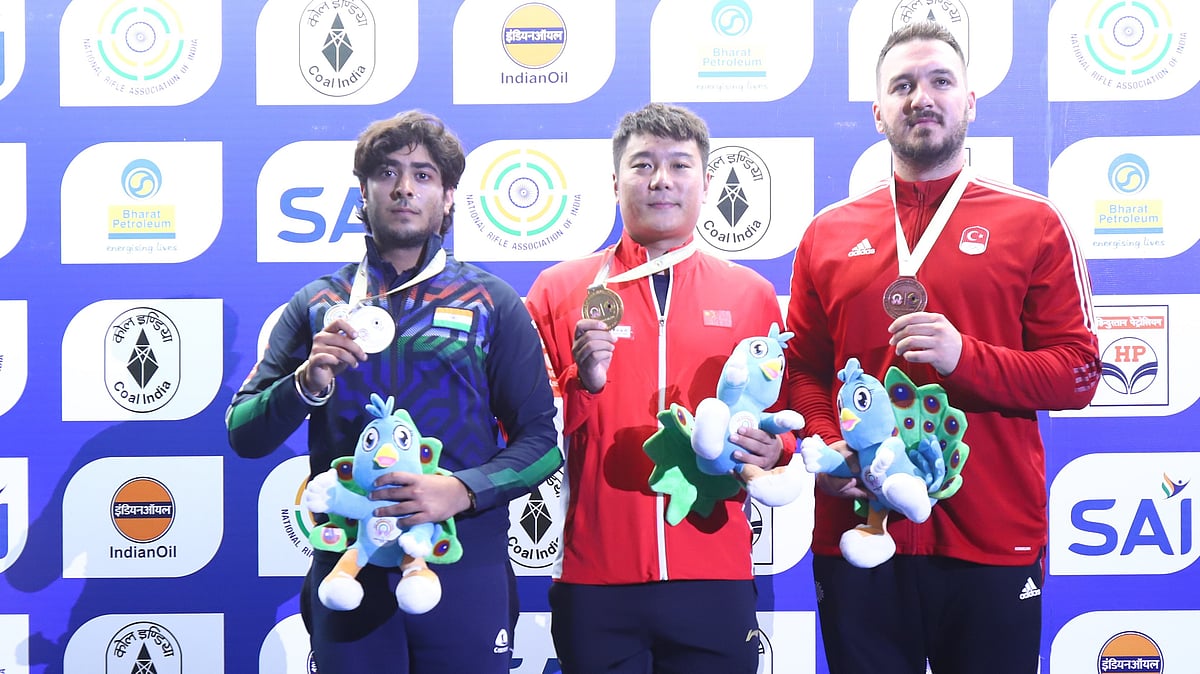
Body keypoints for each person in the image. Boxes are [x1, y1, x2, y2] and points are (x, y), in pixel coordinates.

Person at [785, 22, 1101, 673]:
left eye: (939, 81)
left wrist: (967, 359)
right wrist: (826, 444)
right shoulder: (827, 233)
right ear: (877, 112)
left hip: (991, 535)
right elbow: (803, 371)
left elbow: (1079, 374)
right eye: (901, 85)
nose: (919, 97)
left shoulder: (1034, 224)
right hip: (860, 533)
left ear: (971, 101)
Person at [226, 110, 561, 673]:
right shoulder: (316, 304)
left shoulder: (492, 302)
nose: (404, 187)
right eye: (388, 172)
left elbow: (542, 444)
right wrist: (305, 385)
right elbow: (243, 432)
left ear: (448, 197)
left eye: (423, 174)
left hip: (462, 567)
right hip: (348, 570)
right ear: (364, 190)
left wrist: (461, 490)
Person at [526, 102, 796, 674]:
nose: (662, 181)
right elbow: (526, 431)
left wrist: (780, 450)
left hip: (715, 569)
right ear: (615, 181)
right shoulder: (560, 288)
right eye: (643, 165)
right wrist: (584, 383)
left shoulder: (749, 292)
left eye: (679, 165)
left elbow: (784, 413)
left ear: (705, 181)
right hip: (596, 575)